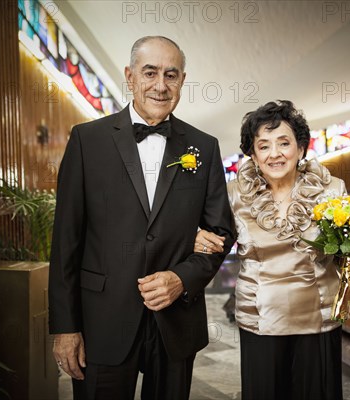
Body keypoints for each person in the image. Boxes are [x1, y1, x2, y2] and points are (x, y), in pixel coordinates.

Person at [48, 36, 235, 400]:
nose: (161, 85)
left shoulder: (204, 147)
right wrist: (66, 328)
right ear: (130, 76)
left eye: (171, 74)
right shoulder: (87, 140)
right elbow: (66, 241)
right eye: (150, 72)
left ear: (183, 80)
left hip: (175, 319)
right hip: (101, 319)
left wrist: (181, 278)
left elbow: (221, 233)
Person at [195, 100, 350, 399]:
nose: (274, 154)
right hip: (259, 318)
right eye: (263, 146)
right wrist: (196, 236)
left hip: (319, 317)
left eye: (284, 143)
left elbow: (347, 252)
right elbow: (214, 241)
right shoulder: (234, 195)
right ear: (252, 153)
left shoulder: (332, 190)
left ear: (301, 148)